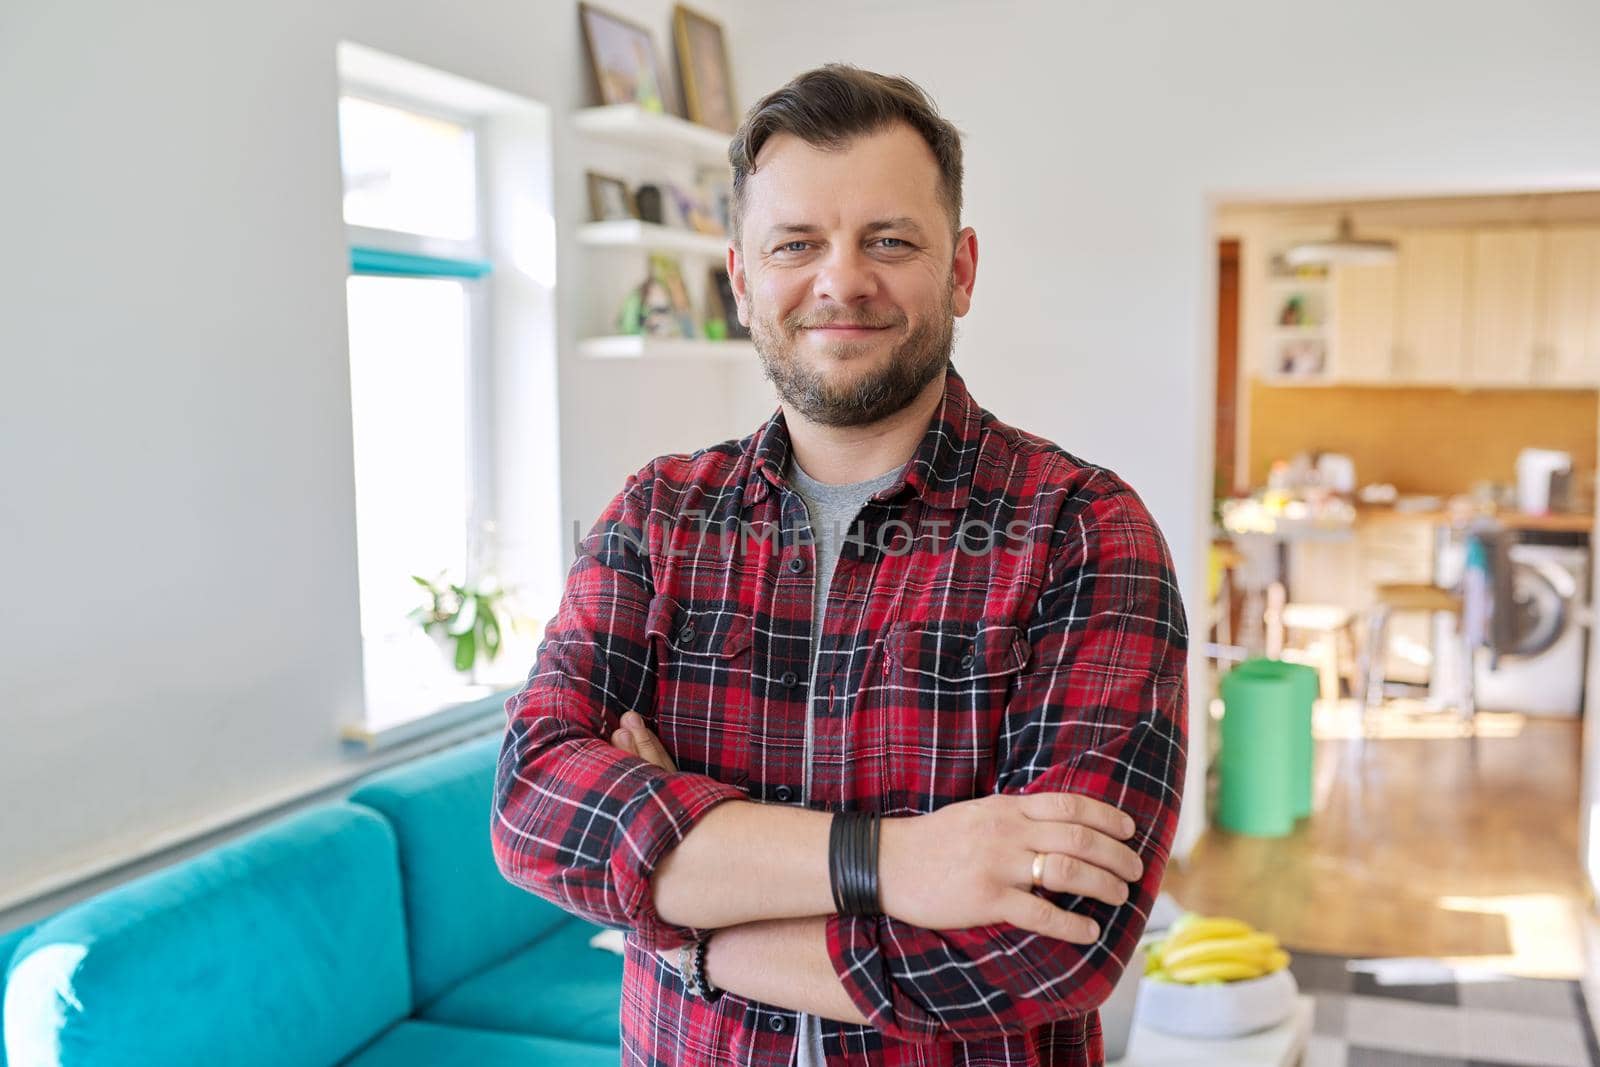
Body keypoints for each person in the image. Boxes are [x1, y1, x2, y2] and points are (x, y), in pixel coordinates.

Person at [491, 63, 1188, 1066]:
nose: (841, 280)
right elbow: (532, 812)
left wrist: (687, 926)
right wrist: (896, 861)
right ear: (741, 275)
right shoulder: (656, 515)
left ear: (961, 269)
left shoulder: (1083, 530)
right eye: (797, 244)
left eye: (889, 240)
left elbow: (1050, 941)